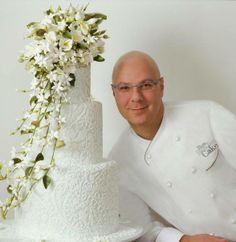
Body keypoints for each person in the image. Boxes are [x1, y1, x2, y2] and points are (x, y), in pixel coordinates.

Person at [109, 50, 236, 242]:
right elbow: (143, 229)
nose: (136, 97)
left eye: (146, 85)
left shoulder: (207, 114)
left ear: (161, 86)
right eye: (125, 88)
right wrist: (184, 240)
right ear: (114, 93)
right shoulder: (118, 163)